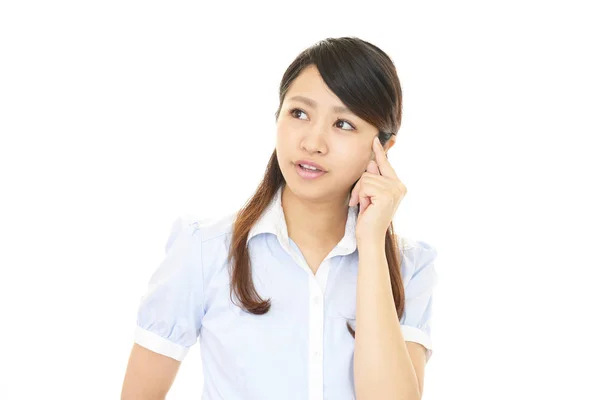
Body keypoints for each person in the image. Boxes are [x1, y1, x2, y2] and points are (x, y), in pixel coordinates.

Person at [121, 36, 439, 400]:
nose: (313, 142)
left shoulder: (408, 266)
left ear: (382, 148)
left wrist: (371, 245)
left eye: (344, 124)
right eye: (299, 113)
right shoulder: (205, 250)